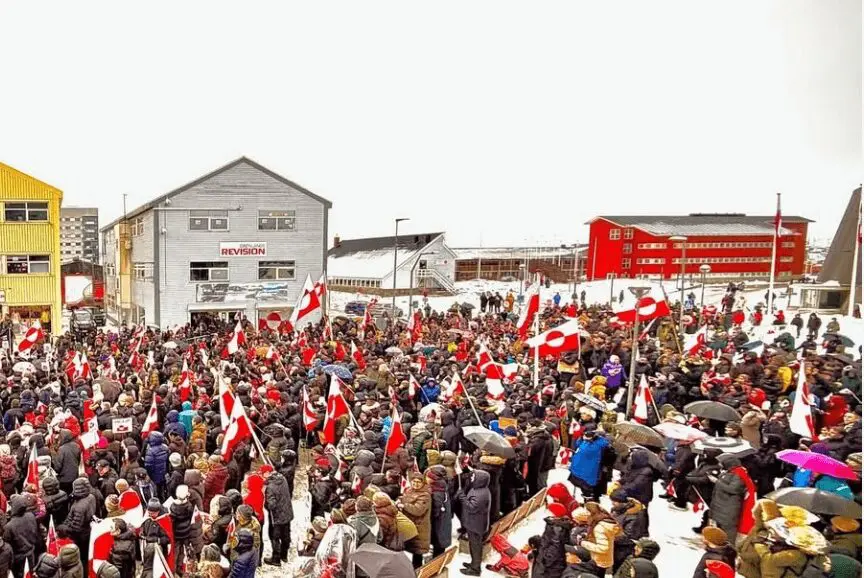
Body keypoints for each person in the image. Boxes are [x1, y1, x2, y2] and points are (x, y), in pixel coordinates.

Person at [456, 470, 491, 577]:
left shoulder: (481, 494)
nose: (472, 479)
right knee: (473, 545)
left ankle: (475, 569)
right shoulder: (479, 489)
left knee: (476, 547)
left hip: (476, 525)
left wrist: (461, 496)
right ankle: (473, 563)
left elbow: (471, 507)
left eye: (474, 478)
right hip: (474, 523)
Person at [263, 467, 293, 565]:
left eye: (263, 473)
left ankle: (276, 559)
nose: (262, 476)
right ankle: (284, 555)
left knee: (274, 537)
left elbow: (272, 505)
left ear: (268, 473)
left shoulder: (270, 487)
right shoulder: (282, 479)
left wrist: (266, 503)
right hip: (287, 512)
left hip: (276, 517)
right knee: (286, 535)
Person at [569, 430, 610, 501]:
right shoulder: (588, 442)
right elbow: (578, 444)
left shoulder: (597, 446)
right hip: (580, 471)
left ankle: (589, 502)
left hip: (587, 473)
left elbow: (584, 449)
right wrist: (582, 438)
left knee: (587, 491)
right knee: (585, 489)